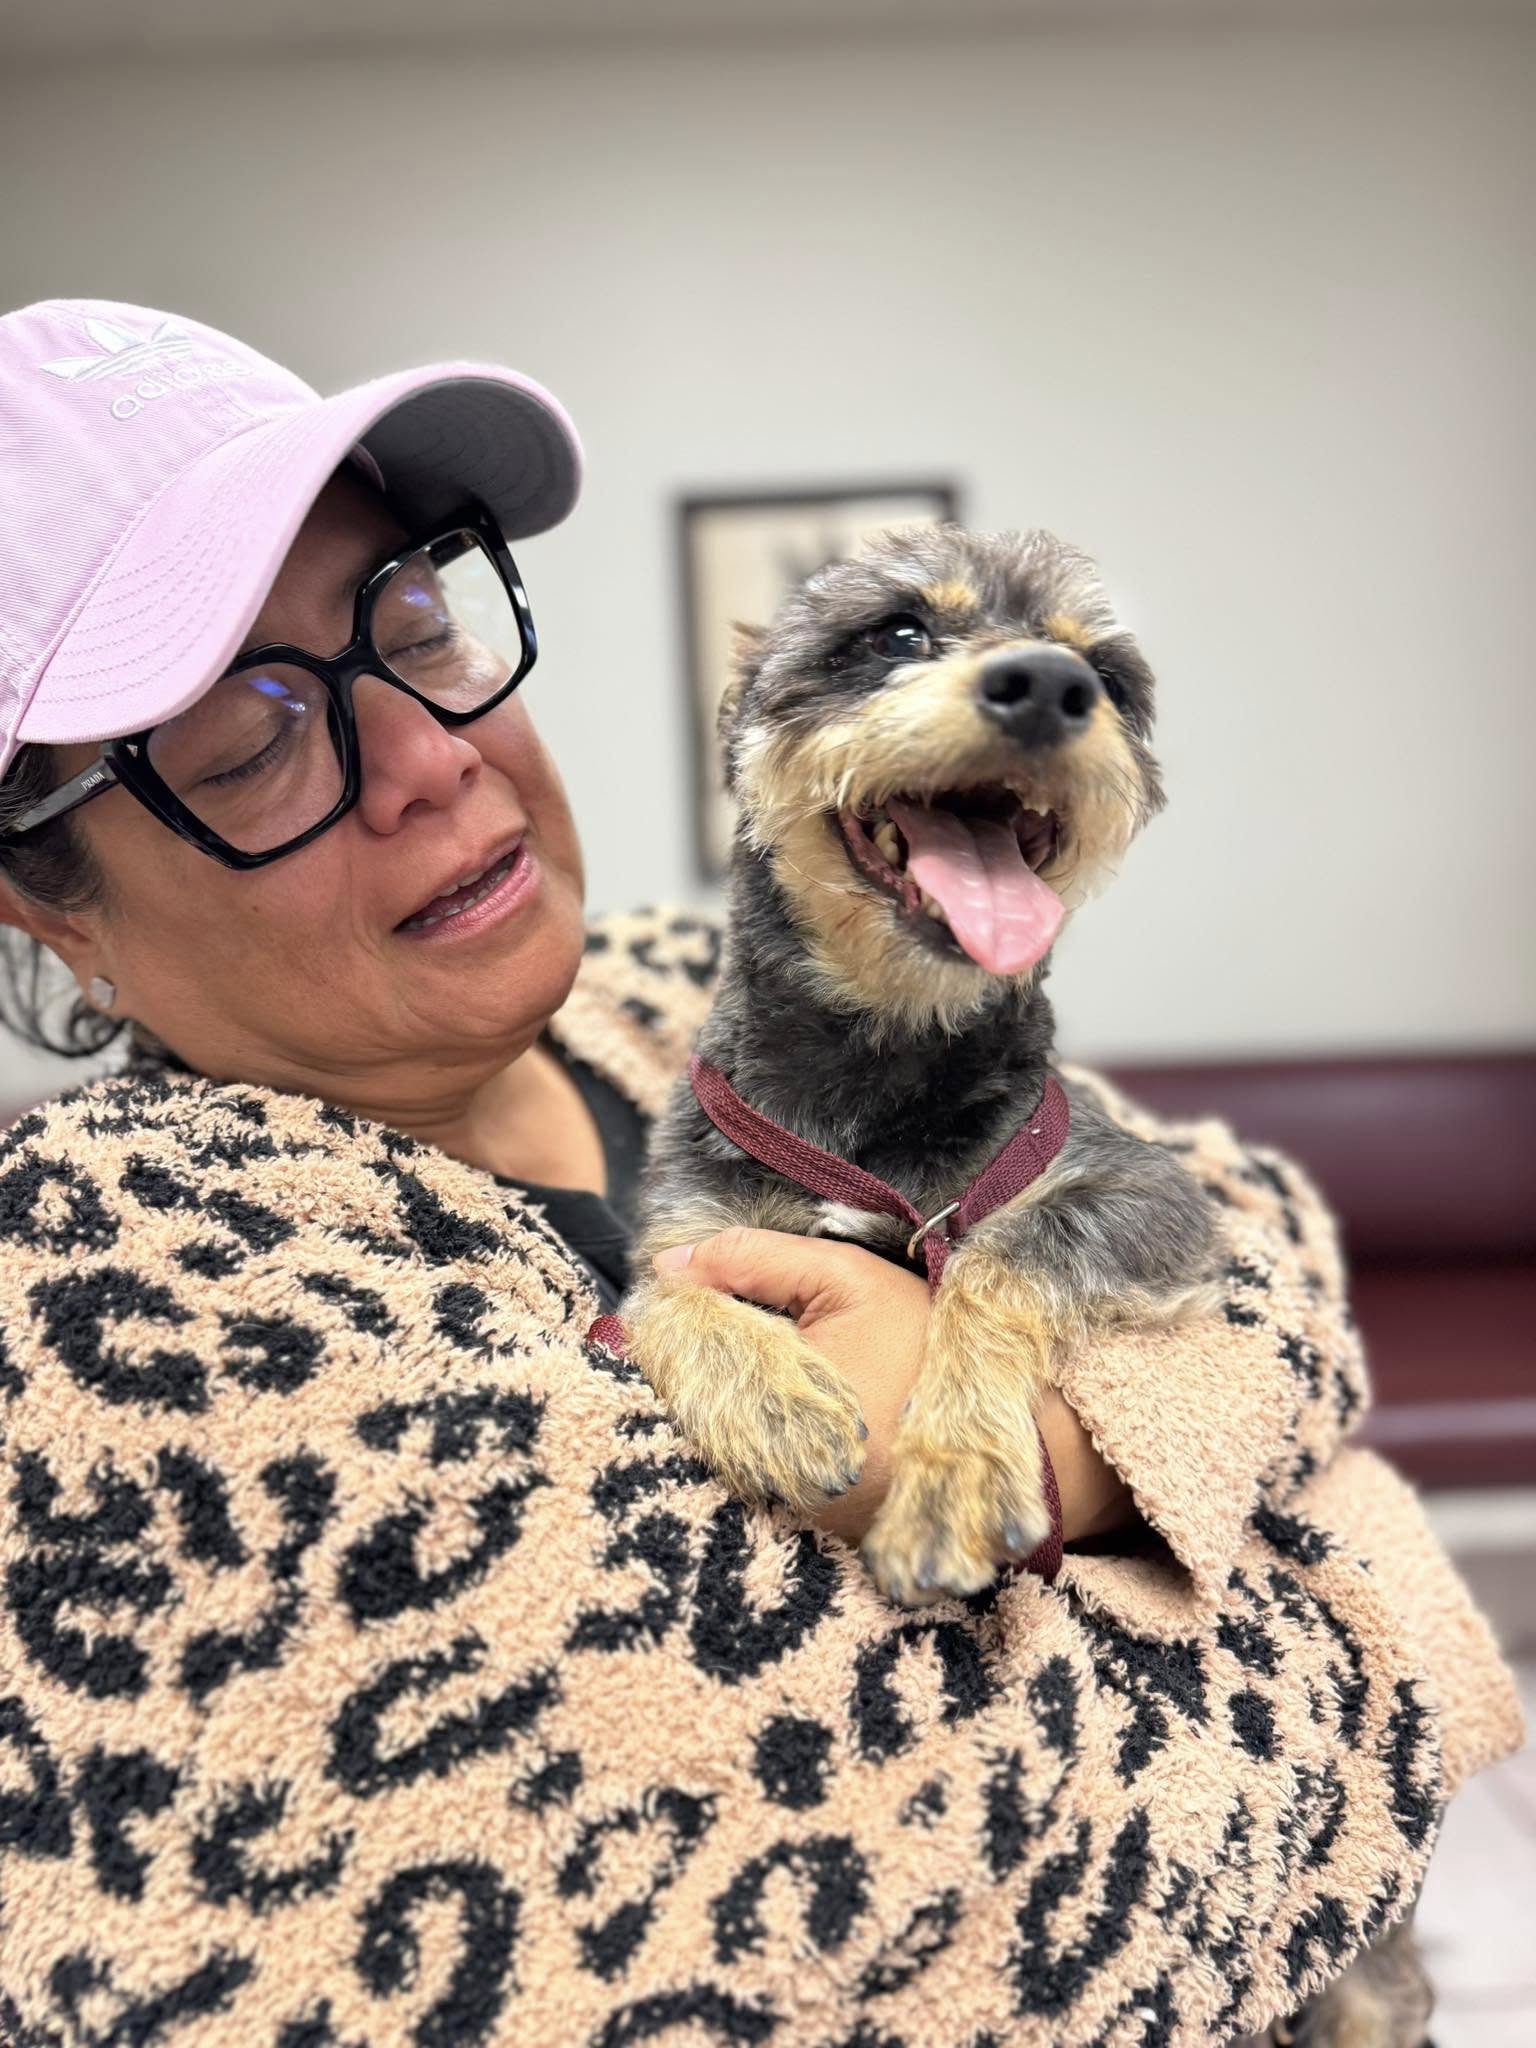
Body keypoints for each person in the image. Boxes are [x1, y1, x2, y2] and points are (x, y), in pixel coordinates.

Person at [0, 298, 1518, 2048]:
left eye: (410, 624)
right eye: (253, 739)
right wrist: (1363, 1584)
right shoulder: (128, 1301)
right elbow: (1021, 1875)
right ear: (45, 896)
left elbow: (1258, 1229)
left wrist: (1046, 1444)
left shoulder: (652, 991)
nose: (431, 759)